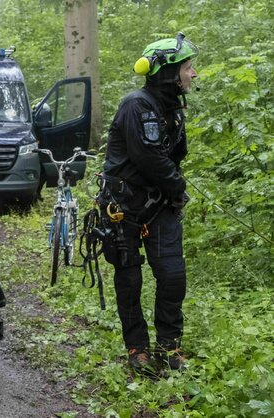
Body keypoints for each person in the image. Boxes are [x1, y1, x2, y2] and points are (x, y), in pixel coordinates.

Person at [100, 32, 199, 376]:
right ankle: (137, 348)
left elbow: (174, 155)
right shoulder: (136, 104)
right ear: (169, 72)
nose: (194, 74)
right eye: (188, 67)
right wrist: (178, 185)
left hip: (161, 207)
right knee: (129, 280)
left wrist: (174, 189)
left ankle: (169, 345)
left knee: (172, 275)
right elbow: (148, 157)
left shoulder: (173, 110)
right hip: (124, 207)